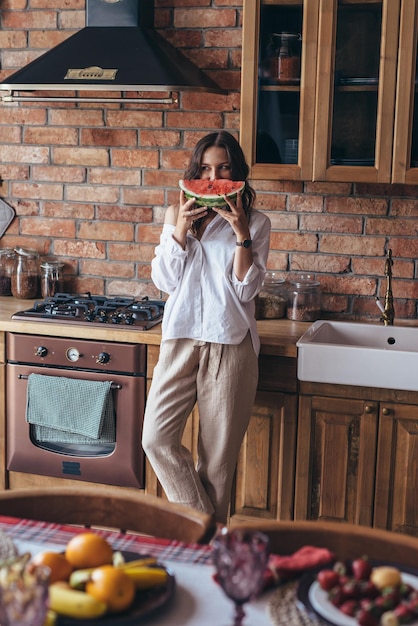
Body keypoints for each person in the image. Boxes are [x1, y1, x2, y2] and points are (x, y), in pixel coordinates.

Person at [142, 131, 271, 524]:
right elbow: (164, 280)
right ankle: (208, 532)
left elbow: (246, 289)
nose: (213, 178)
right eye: (204, 169)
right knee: (156, 439)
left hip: (229, 343)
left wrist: (241, 235)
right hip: (180, 339)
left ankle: (204, 554)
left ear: (239, 173)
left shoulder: (258, 223)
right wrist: (180, 229)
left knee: (216, 465)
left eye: (223, 168)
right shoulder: (175, 215)